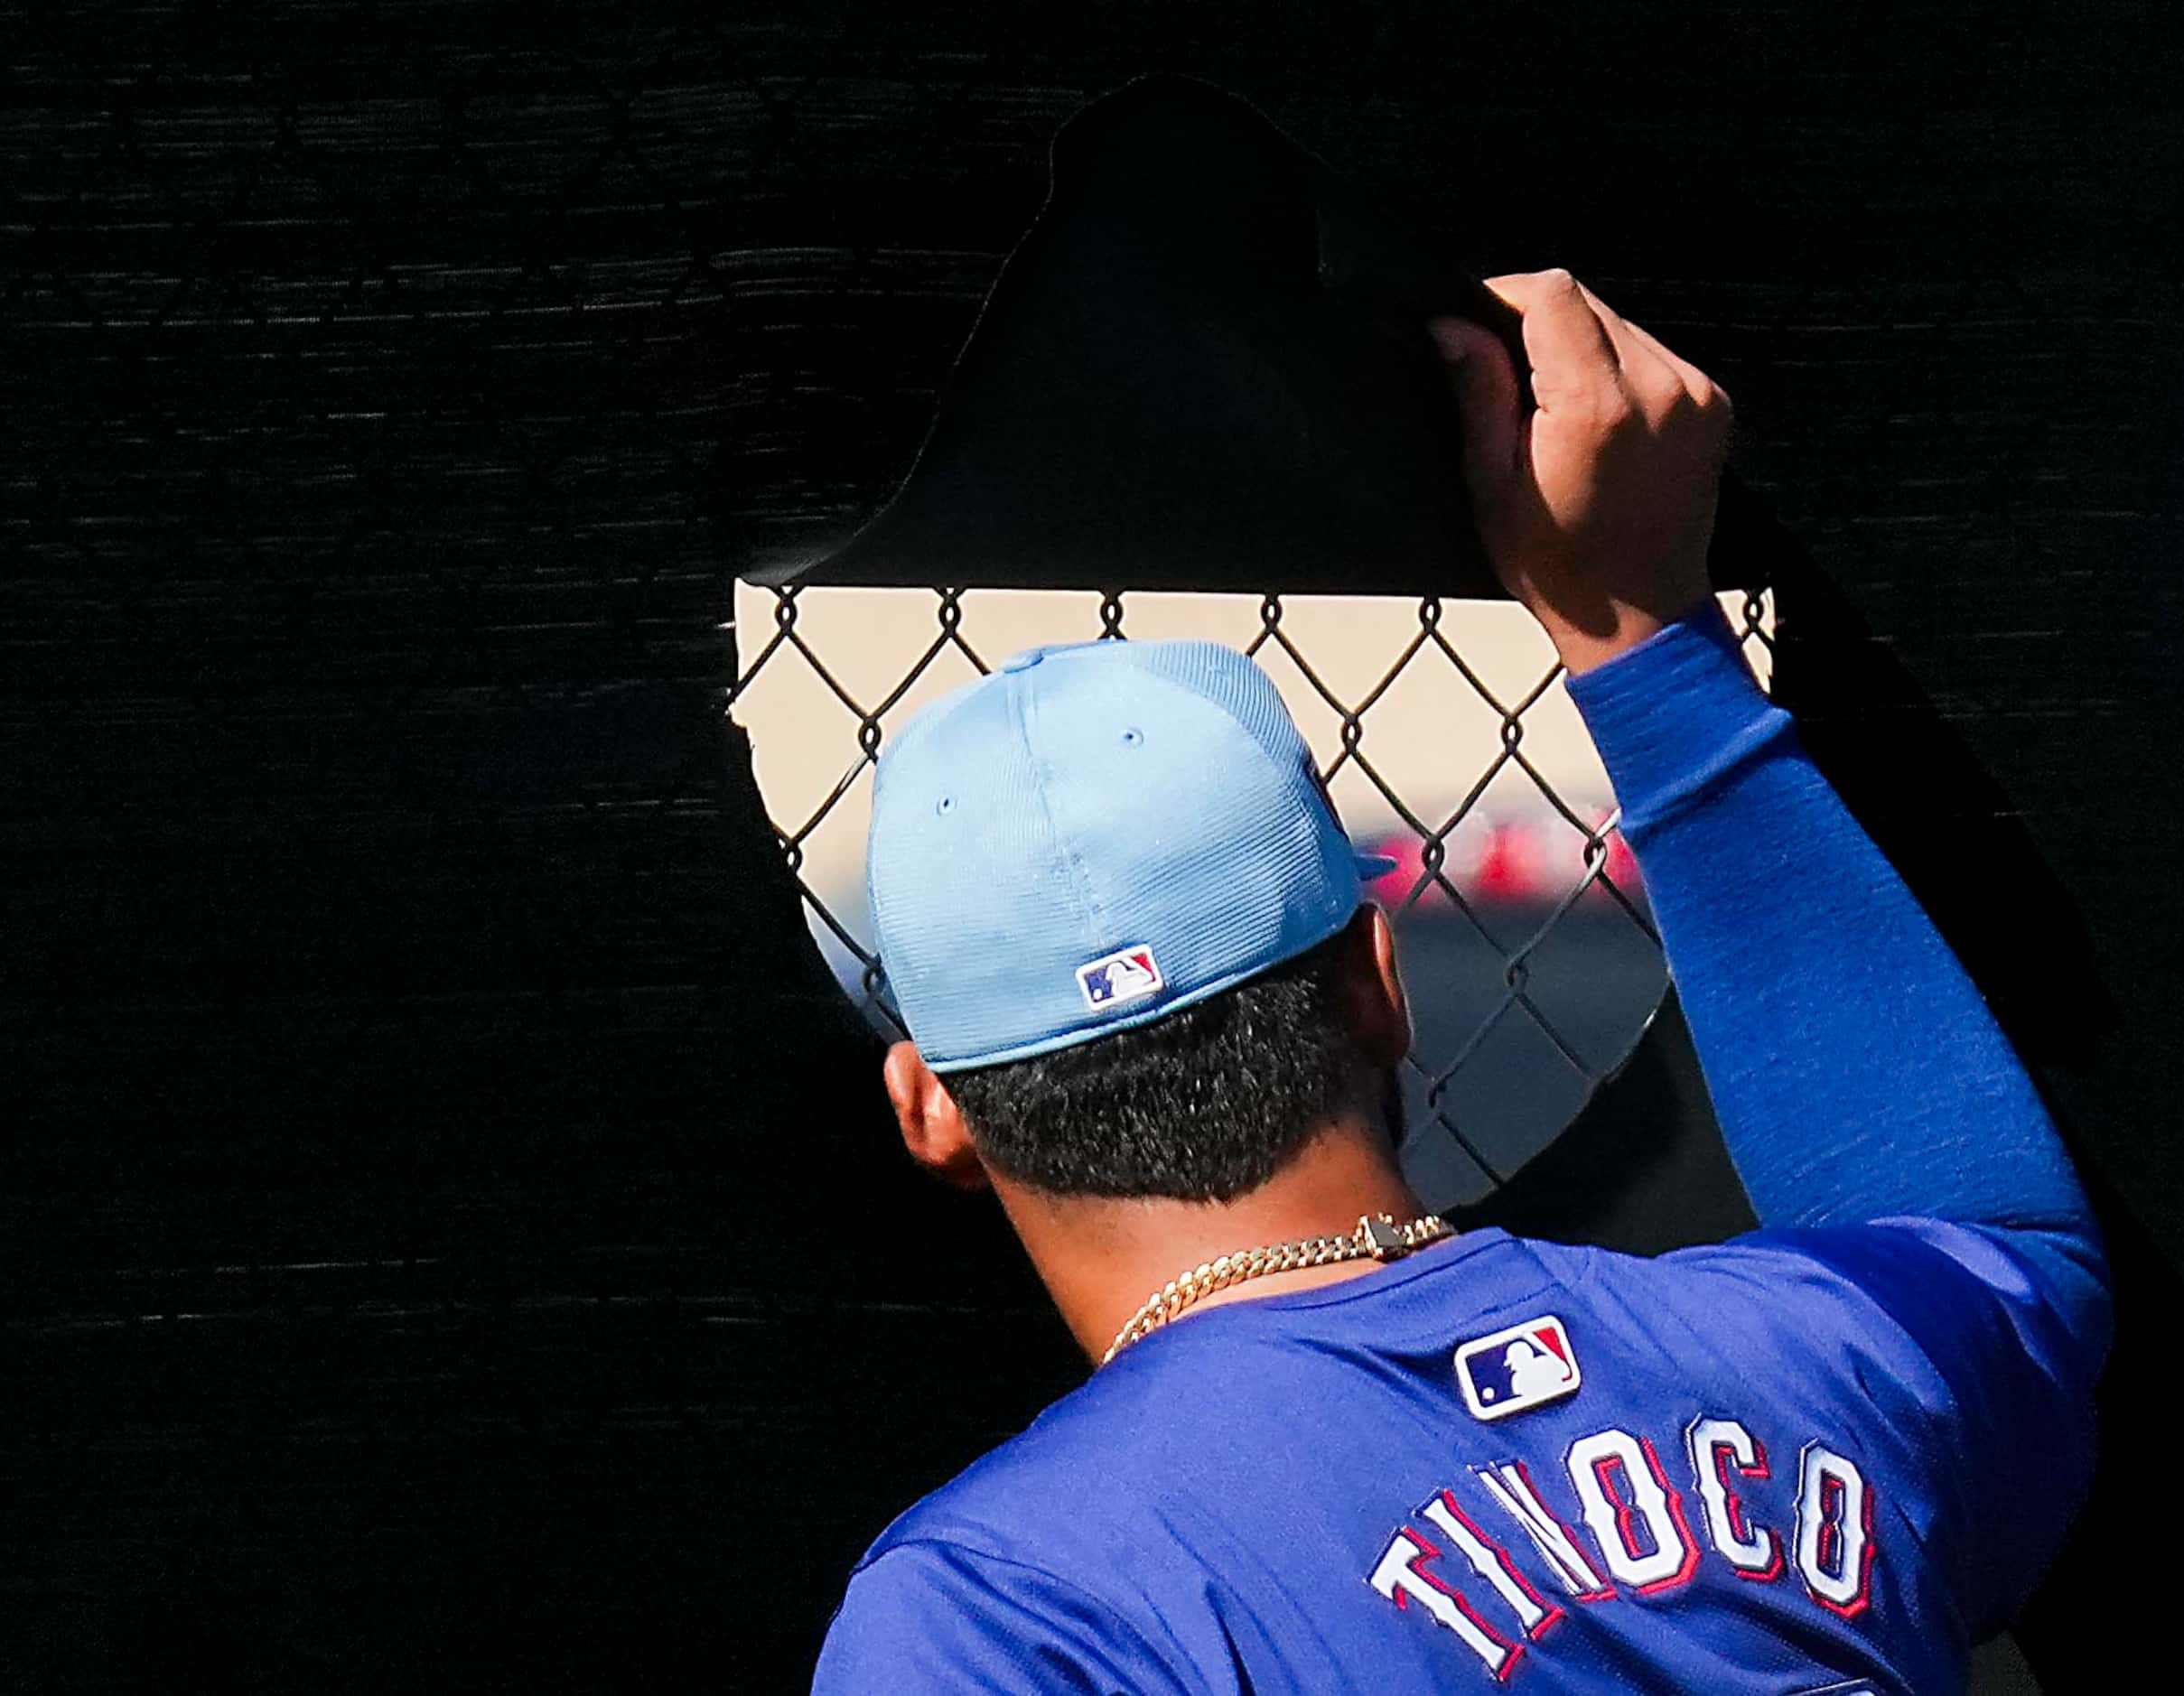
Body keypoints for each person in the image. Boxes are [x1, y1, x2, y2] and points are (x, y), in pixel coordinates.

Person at [809, 268, 2111, 1692]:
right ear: (1381, 980)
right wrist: (1643, 640)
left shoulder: (1016, 1608)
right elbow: (1994, 1241)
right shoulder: (1817, 1361)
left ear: (929, 1104)